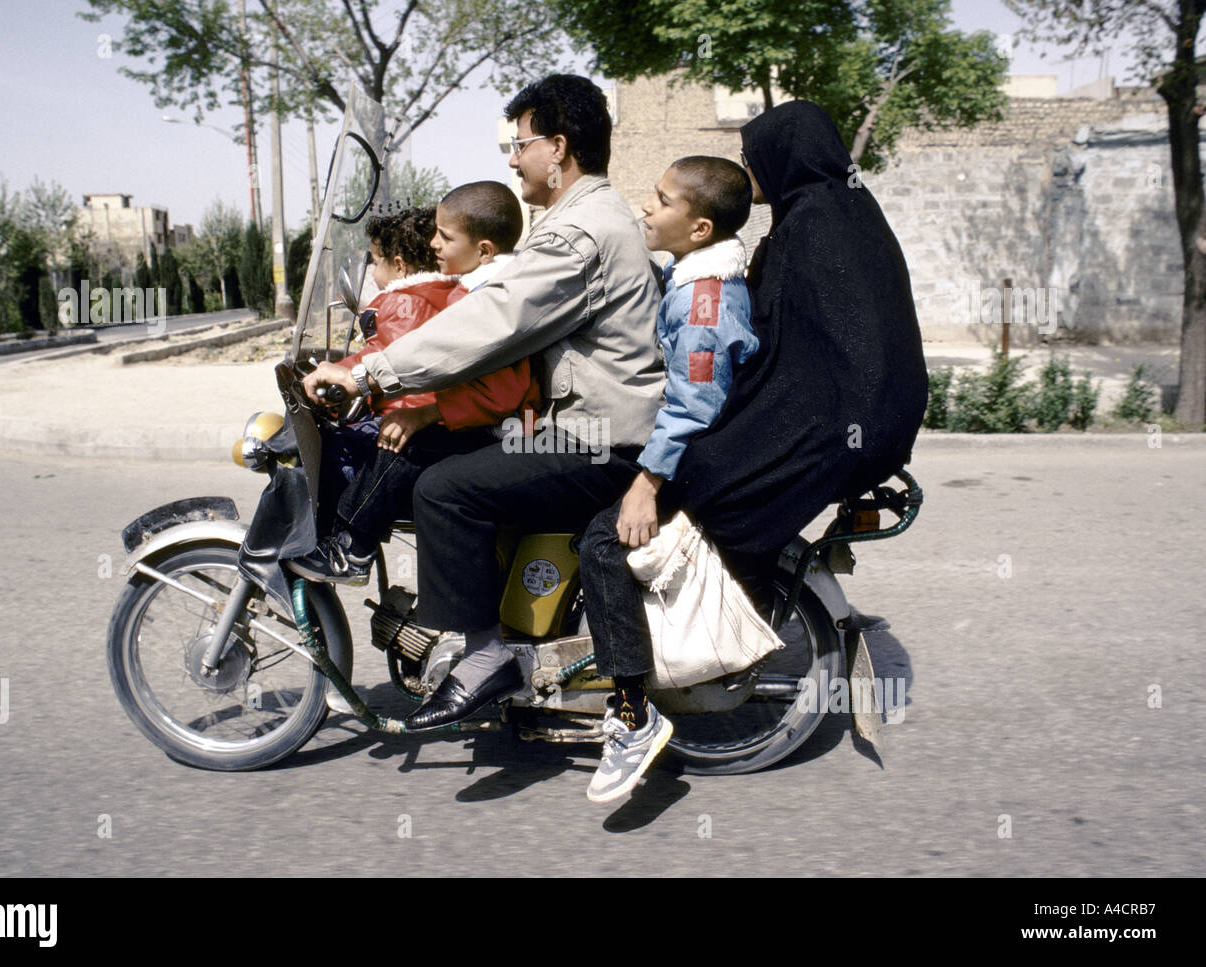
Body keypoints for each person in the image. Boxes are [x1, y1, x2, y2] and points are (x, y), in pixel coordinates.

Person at [302, 74, 665, 732]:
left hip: (598, 441)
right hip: (577, 427)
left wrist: (374, 373)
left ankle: (486, 654)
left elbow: (496, 321)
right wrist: (403, 389)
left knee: (445, 490)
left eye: (519, 143)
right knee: (423, 450)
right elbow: (498, 332)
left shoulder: (578, 234)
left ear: (557, 147)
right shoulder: (581, 220)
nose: (511, 158)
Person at [672, 100, 928, 622]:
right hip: (880, 412)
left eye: (751, 159)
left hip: (842, 418)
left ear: (781, 158)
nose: (747, 172)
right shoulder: (849, 209)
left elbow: (768, 332)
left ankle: (739, 624)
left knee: (701, 472)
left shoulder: (810, 225)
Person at [577, 156, 759, 803]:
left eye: (660, 201)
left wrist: (646, 484)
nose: (647, 208)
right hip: (692, 447)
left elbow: (695, 402)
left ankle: (631, 712)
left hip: (696, 460)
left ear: (701, 225)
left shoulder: (706, 301)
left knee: (602, 544)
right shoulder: (690, 273)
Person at [291, 199, 540, 583]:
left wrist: (417, 412)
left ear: (484, 250)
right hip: (485, 421)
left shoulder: (483, 299)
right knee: (391, 439)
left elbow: (413, 364)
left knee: (397, 447)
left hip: (502, 430)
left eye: (445, 236)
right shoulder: (467, 292)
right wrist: (352, 377)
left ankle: (352, 547)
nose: (434, 245)